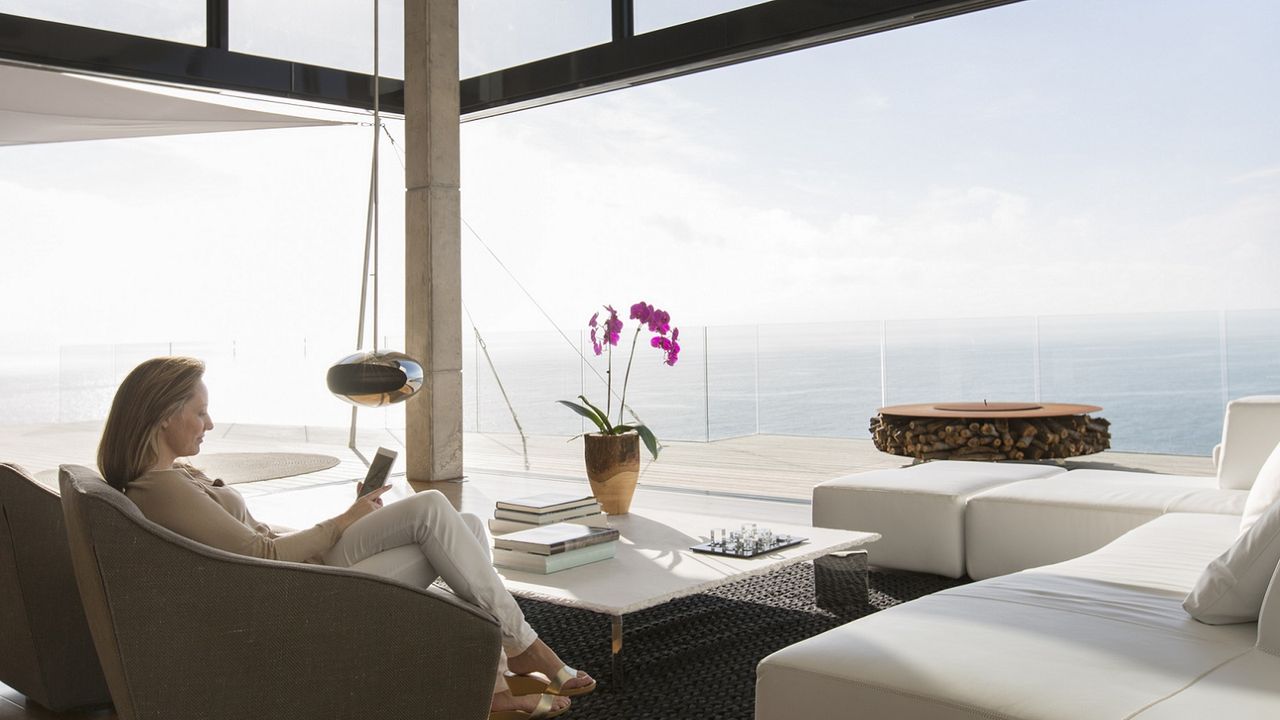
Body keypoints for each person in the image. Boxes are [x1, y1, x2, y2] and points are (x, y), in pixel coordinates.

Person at [97, 357, 593, 720]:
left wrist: (348, 517)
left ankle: (495, 682)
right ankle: (523, 653)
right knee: (435, 513)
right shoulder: (158, 486)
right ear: (163, 414)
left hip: (296, 573)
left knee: (461, 527)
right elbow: (260, 554)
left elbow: (258, 538)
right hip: (295, 598)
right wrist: (343, 521)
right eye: (199, 412)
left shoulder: (174, 475)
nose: (209, 423)